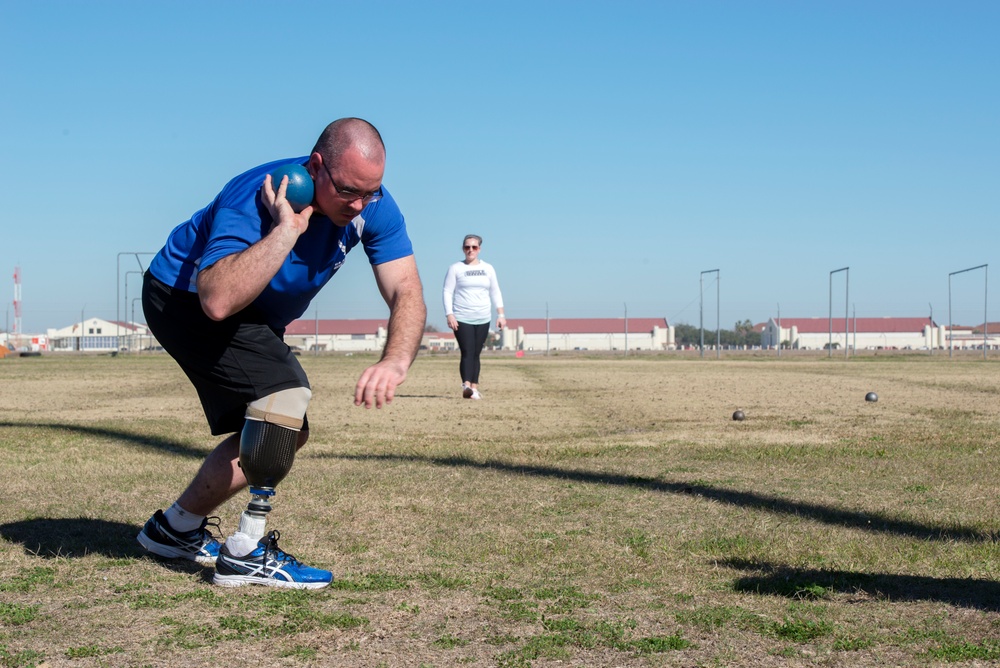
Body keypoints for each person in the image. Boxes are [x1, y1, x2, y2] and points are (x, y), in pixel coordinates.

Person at [136, 118, 426, 589]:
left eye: (369, 193)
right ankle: (245, 553)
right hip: (182, 298)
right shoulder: (258, 192)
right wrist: (286, 231)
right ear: (316, 167)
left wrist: (395, 359)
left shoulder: (374, 206)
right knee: (287, 394)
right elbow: (217, 300)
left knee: (285, 429)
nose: (358, 205)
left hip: (251, 313)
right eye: (349, 191)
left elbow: (406, 288)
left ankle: (175, 529)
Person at [442, 235, 505, 399]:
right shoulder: (455, 268)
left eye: (474, 247)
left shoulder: (488, 268)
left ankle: (474, 388)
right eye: (467, 247)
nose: (470, 250)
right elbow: (447, 292)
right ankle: (466, 385)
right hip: (462, 317)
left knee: (476, 353)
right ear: (463, 249)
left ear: (479, 249)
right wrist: (450, 314)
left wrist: (501, 314)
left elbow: (495, 291)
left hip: (483, 317)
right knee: (467, 351)